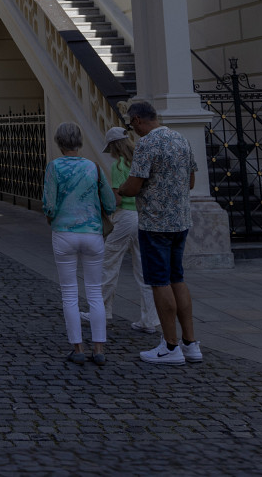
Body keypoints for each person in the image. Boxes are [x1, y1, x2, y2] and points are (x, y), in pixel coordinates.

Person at [116, 100, 202, 365]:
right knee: (177, 279)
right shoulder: (181, 139)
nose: (132, 130)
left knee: (159, 282)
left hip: (155, 224)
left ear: (138, 120)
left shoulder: (146, 144)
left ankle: (170, 346)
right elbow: (191, 181)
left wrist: (120, 190)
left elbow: (134, 186)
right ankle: (190, 344)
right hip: (180, 221)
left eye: (131, 125)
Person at [43, 121, 118, 365]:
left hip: (64, 233)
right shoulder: (93, 167)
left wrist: (52, 217)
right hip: (92, 233)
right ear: (80, 141)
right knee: (94, 291)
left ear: (59, 142)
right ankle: (99, 348)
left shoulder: (54, 167)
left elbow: (49, 205)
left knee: (69, 293)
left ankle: (78, 348)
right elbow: (110, 203)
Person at [101, 125, 160, 334]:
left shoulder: (118, 165)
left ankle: (102, 312)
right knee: (144, 270)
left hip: (125, 216)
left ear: (114, 147)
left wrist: (104, 201)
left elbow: (118, 198)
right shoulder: (142, 160)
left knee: (109, 263)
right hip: (143, 216)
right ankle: (149, 320)